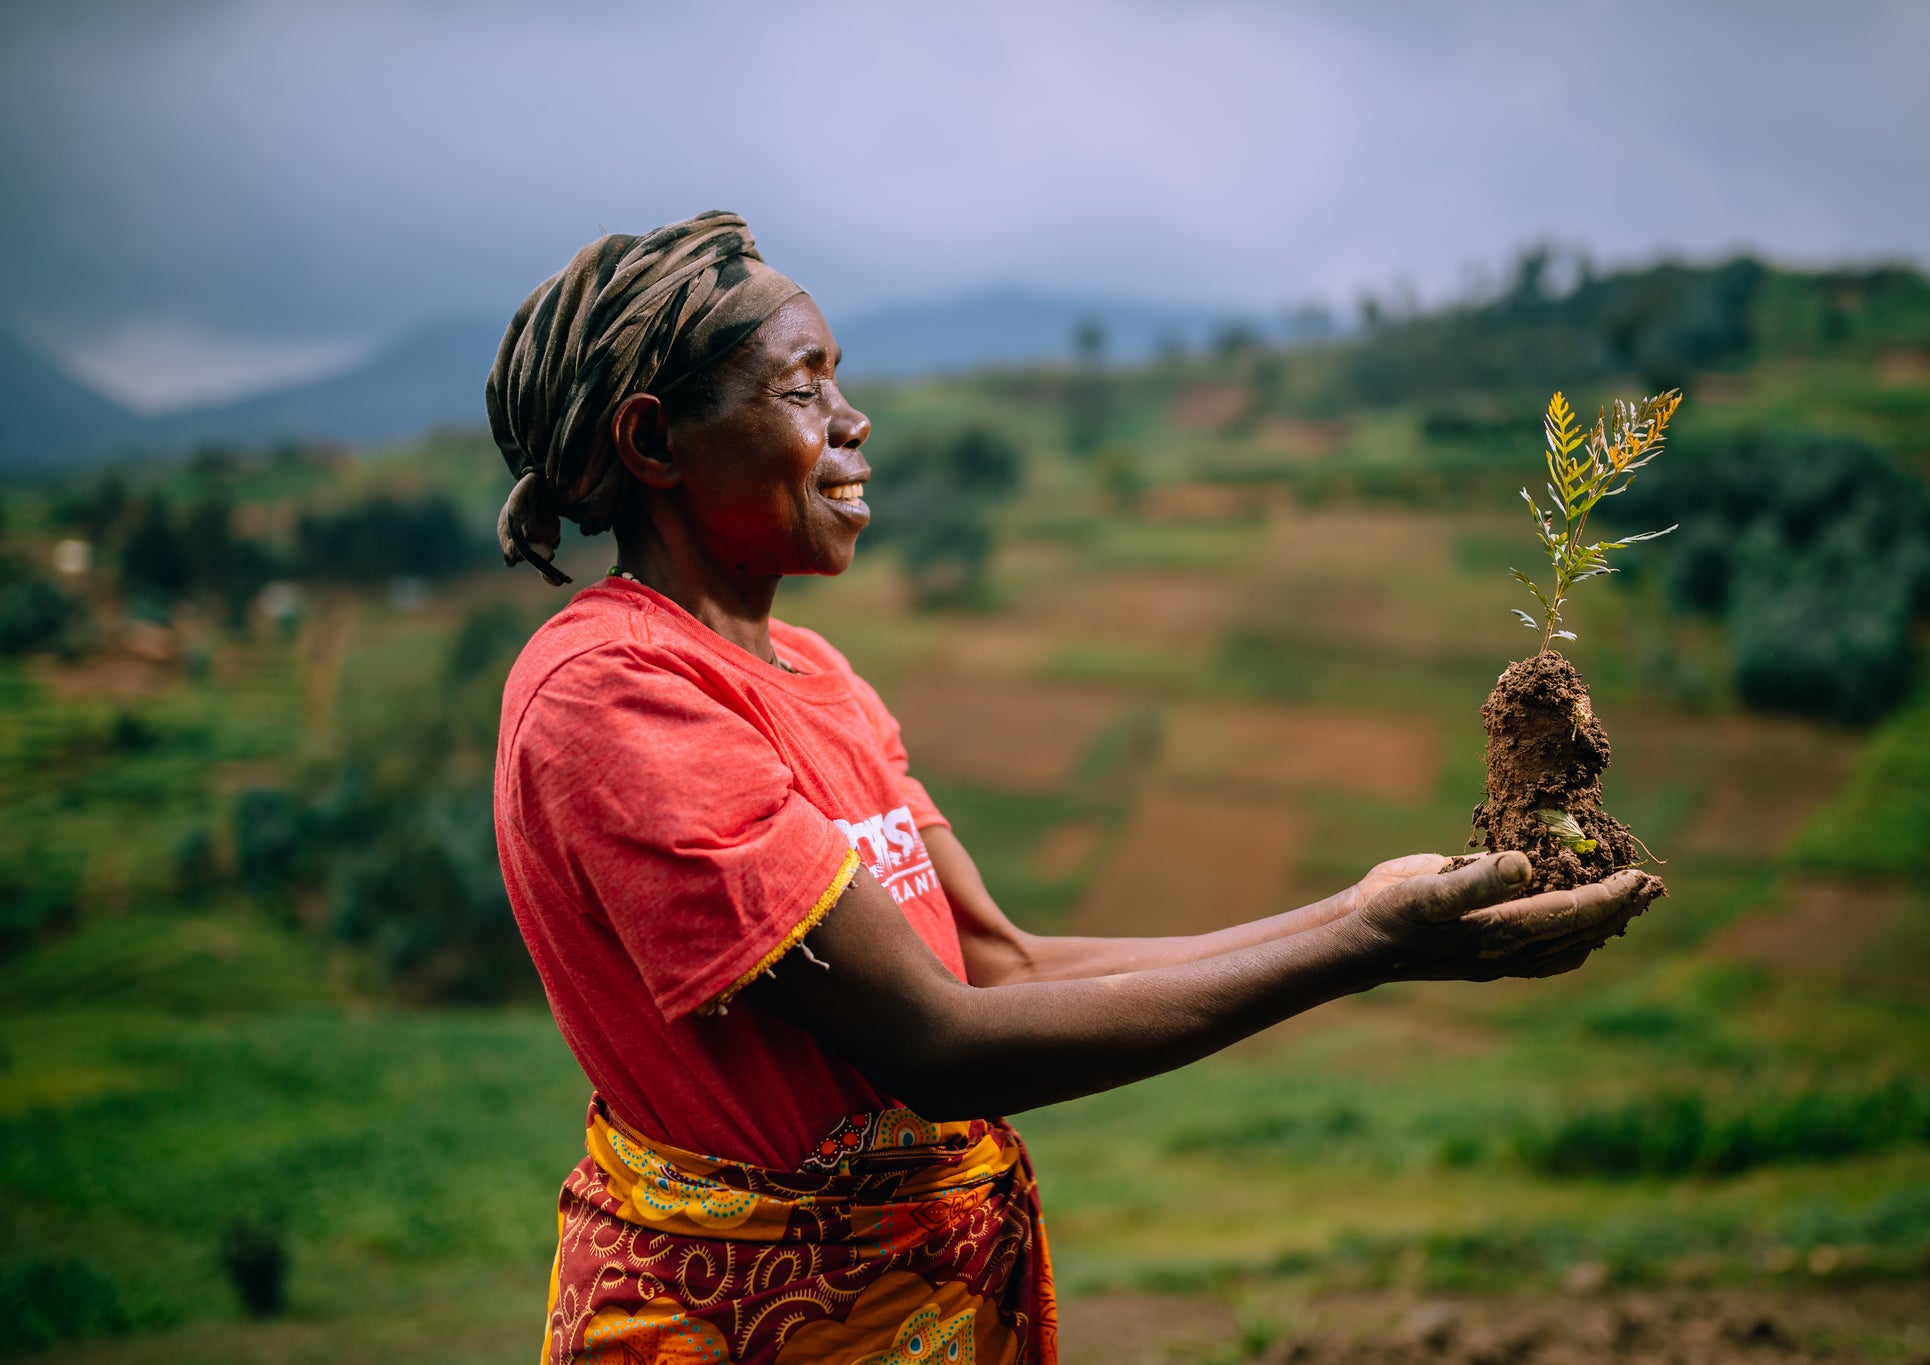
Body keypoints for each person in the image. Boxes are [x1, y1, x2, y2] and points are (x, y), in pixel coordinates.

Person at [488, 211, 1656, 1365]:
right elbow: (940, 1045)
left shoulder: (818, 676)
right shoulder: (614, 695)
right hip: (745, 1330)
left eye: (839, 381)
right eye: (802, 391)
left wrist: (1361, 910)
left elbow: (997, 962)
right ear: (654, 445)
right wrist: (1373, 948)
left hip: (919, 1319)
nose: (852, 422)